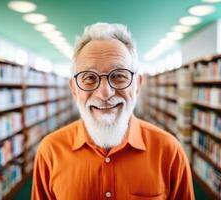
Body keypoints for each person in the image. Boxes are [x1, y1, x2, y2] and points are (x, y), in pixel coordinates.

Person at [32, 22, 195, 200]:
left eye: (118, 76)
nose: (104, 93)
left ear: (137, 85)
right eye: (89, 78)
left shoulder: (170, 152)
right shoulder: (50, 151)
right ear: (74, 89)